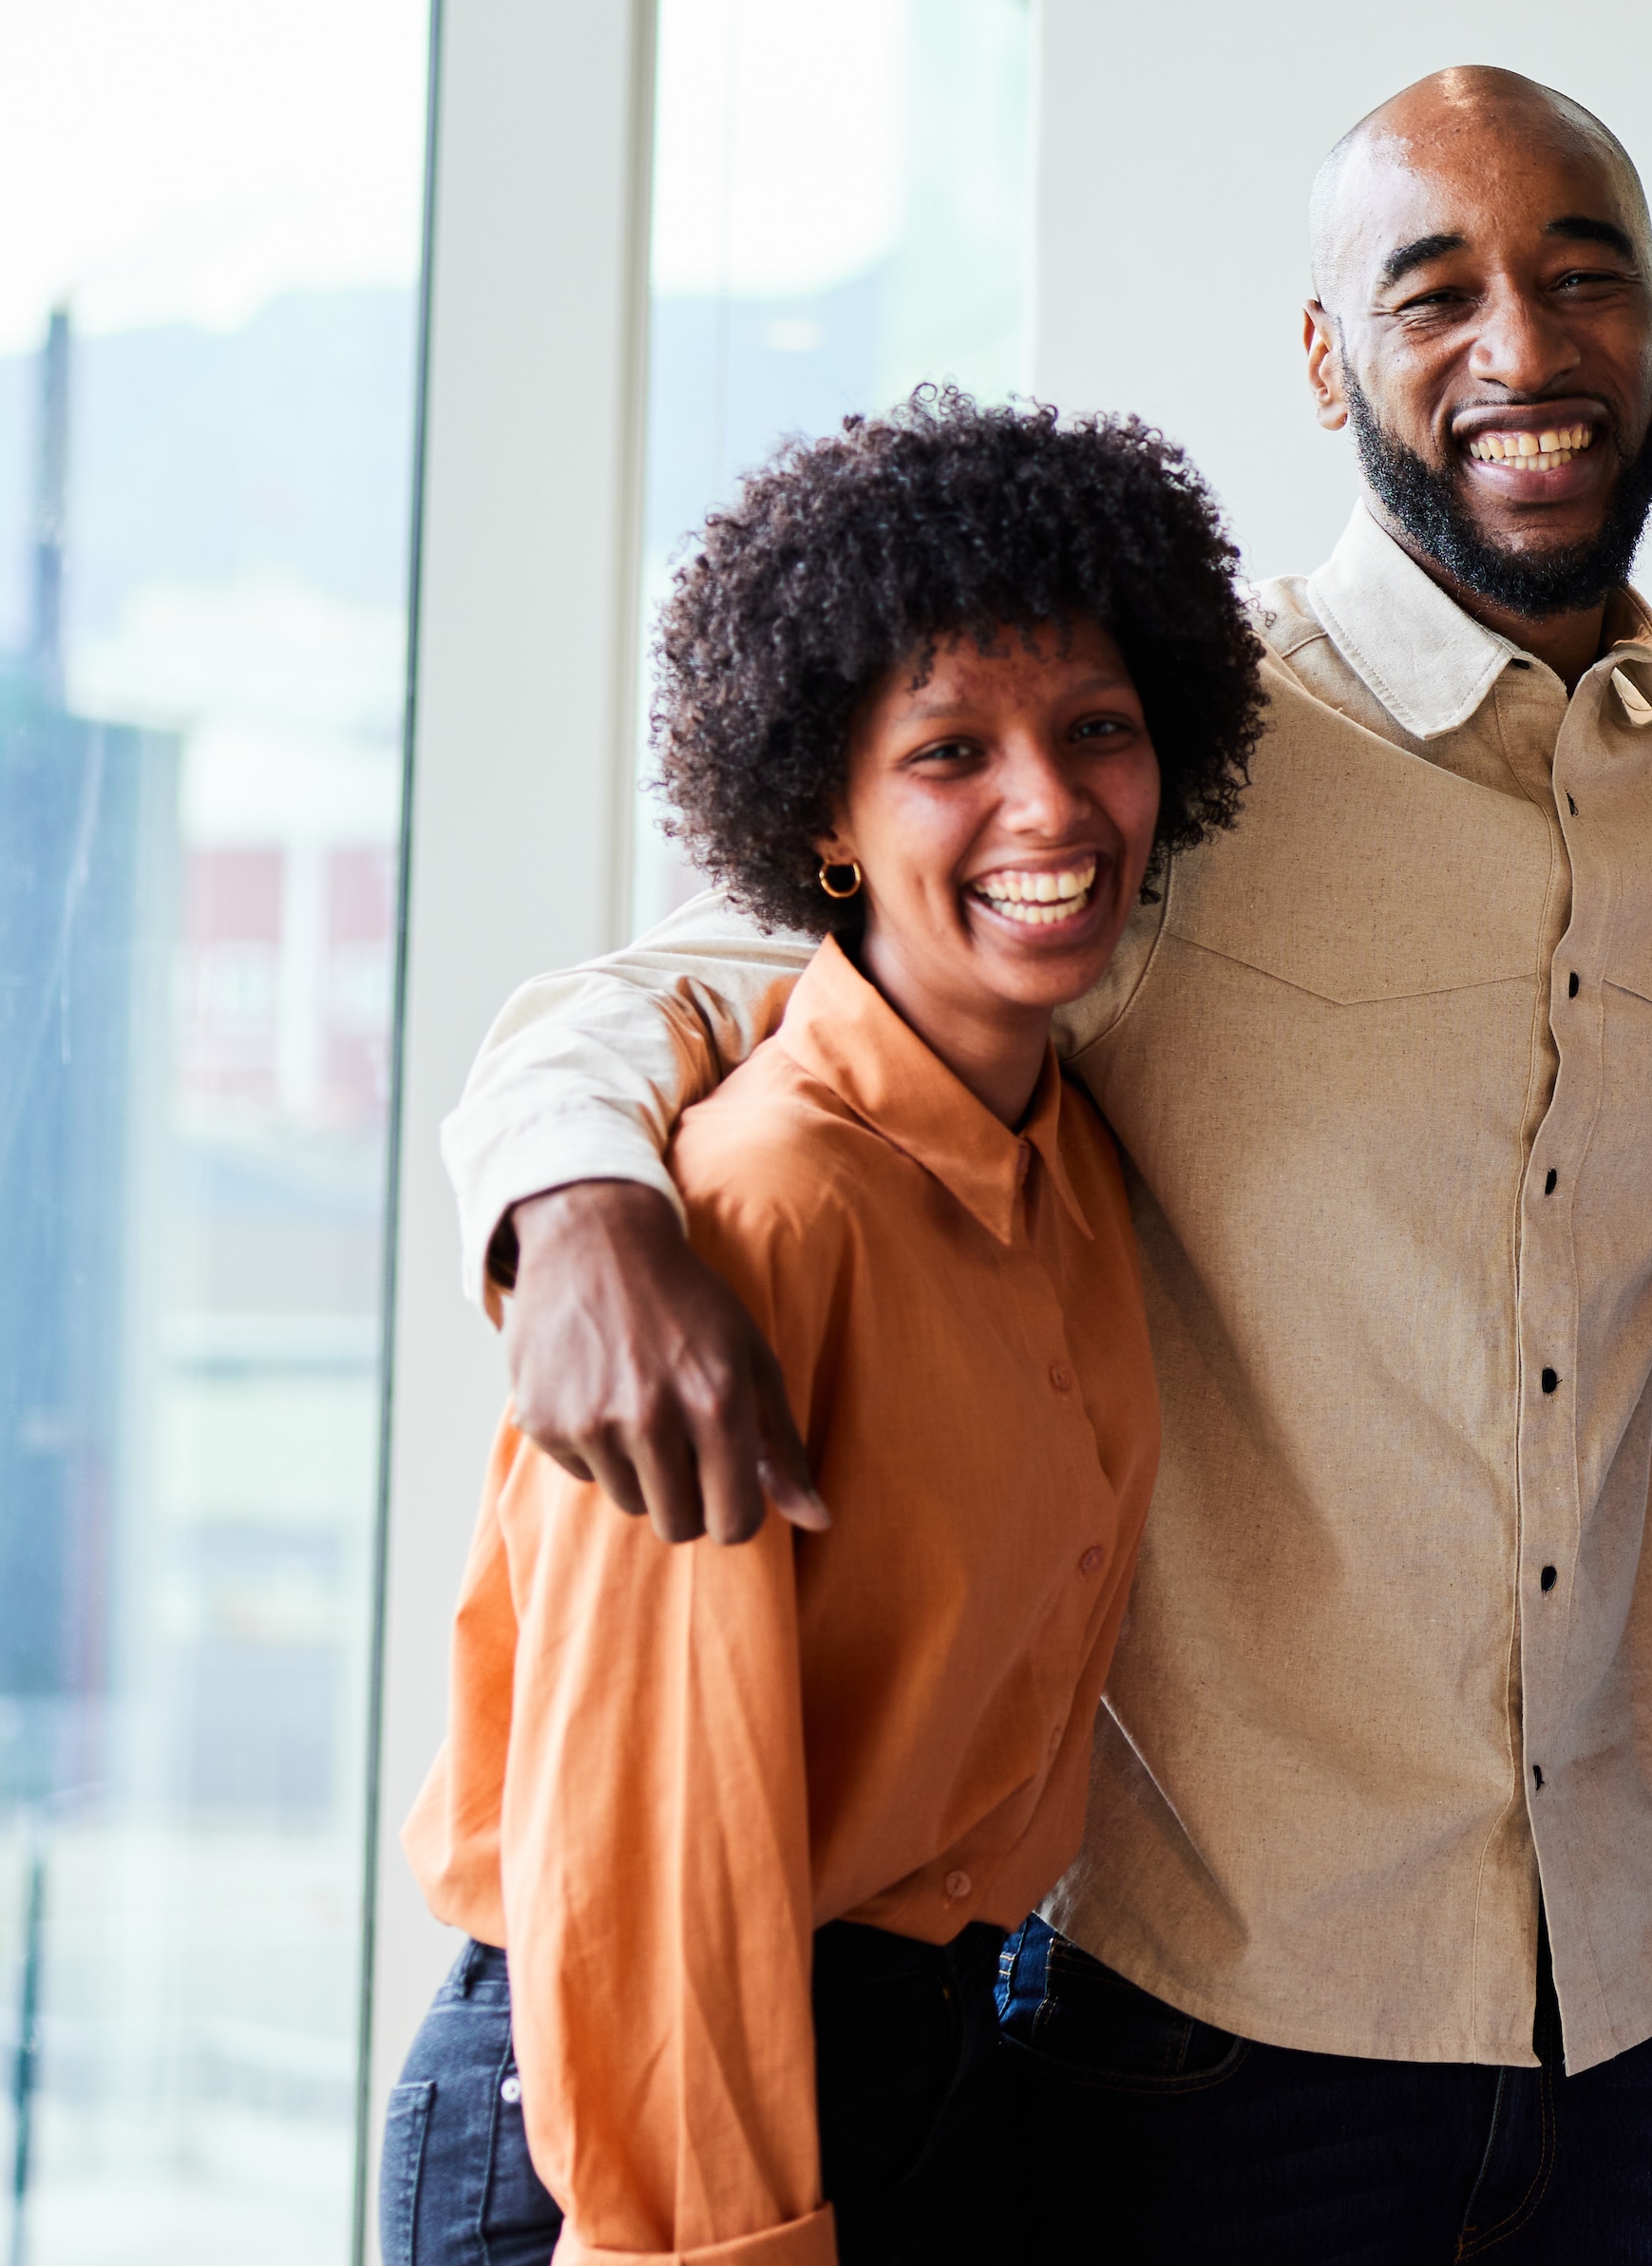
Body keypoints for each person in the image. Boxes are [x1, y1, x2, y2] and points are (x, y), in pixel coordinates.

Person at [435, 68, 1652, 2265]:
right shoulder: (1150, 765)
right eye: (1435, 291)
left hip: (1627, 1991)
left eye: (1582, 278)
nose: (1523, 345)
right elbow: (694, 983)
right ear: (1326, 359)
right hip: (1211, 1998)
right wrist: (571, 1203)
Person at [387, 393, 1268, 2266]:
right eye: (953, 750)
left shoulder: (1078, 1157)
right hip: (640, 2109)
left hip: (935, 2062)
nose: (1048, 804)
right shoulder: (757, 1212)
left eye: (1096, 731)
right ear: (824, 821)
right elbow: (647, 1846)